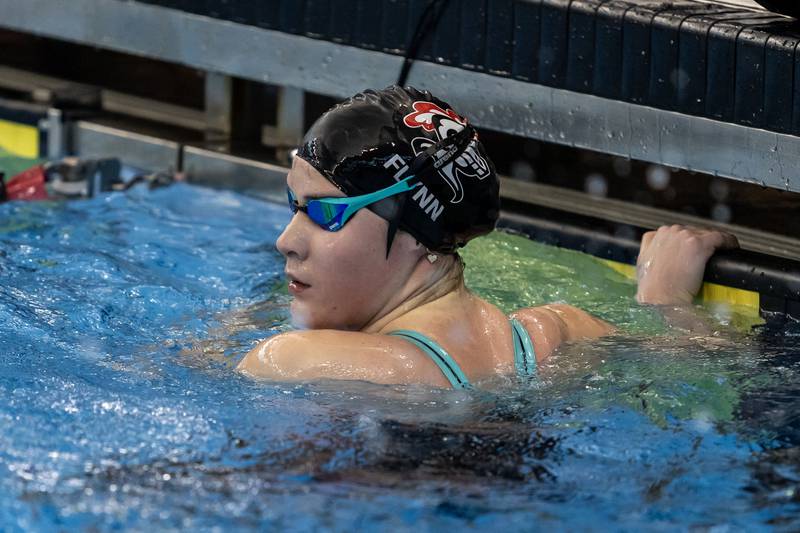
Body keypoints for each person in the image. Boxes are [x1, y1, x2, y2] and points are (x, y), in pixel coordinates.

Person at [237, 86, 738, 389]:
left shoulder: (295, 362)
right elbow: (711, 358)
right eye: (293, 207)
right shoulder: (557, 334)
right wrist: (666, 299)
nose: (287, 240)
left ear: (419, 233)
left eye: (324, 214)